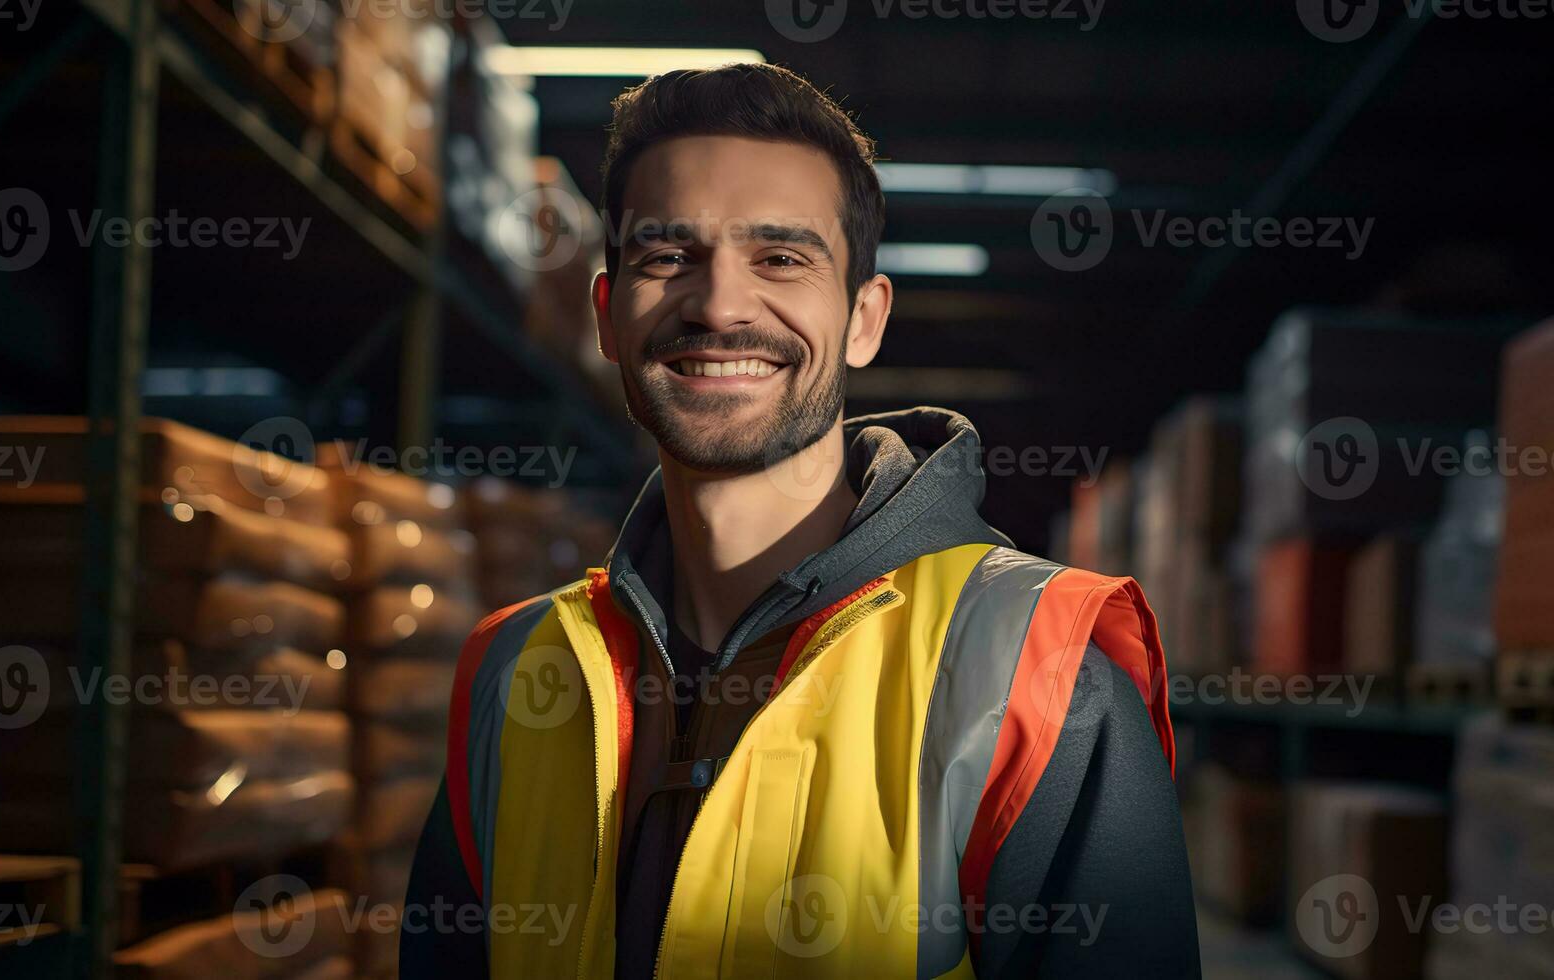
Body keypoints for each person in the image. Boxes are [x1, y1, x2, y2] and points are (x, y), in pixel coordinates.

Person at [402, 62, 1200, 978]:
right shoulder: (514, 673)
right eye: (667, 257)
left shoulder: (1040, 681)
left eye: (781, 258)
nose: (720, 305)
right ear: (606, 316)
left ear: (865, 319)